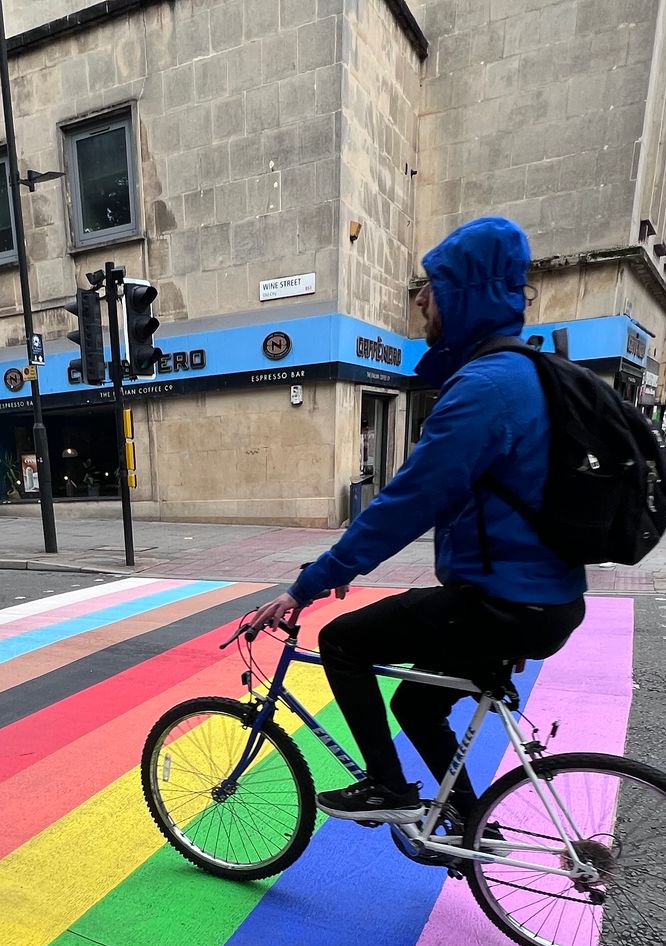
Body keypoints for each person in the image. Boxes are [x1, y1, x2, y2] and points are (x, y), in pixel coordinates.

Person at [244, 215, 586, 828]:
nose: (421, 300)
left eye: (432, 286)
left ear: (464, 295)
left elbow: (408, 501)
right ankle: (476, 823)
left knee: (343, 641)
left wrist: (313, 581)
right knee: (417, 704)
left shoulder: (486, 387)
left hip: (500, 603)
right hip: (542, 599)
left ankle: (385, 787)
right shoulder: (526, 372)